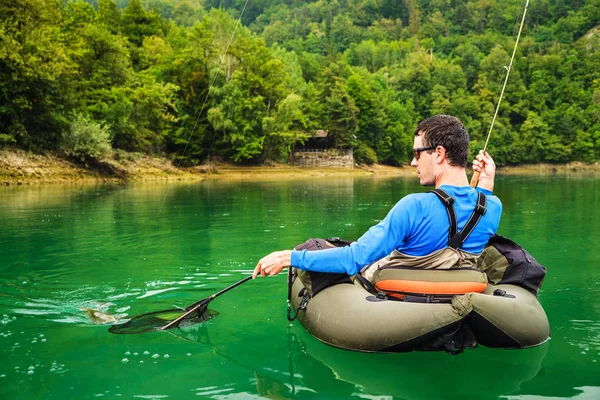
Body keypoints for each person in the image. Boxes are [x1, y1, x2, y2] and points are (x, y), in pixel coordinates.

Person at [252, 114, 501, 280]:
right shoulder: (492, 207)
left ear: (438, 153)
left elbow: (355, 258)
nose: (413, 162)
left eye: (417, 153)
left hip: (402, 304)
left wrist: (288, 257)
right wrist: (486, 185)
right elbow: (467, 211)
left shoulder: (414, 206)